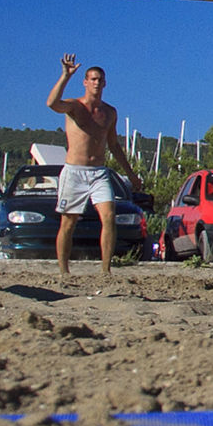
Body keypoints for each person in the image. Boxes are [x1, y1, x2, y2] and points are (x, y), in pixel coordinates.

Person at [44, 54, 144, 280]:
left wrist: (131, 175)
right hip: (74, 171)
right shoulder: (74, 106)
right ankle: (64, 271)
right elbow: (52, 103)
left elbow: (114, 145)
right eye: (93, 79)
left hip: (99, 172)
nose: (97, 83)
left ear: (105, 83)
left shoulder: (109, 112)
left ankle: (106, 270)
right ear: (85, 82)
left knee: (109, 216)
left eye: (100, 79)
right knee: (68, 221)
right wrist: (65, 76)